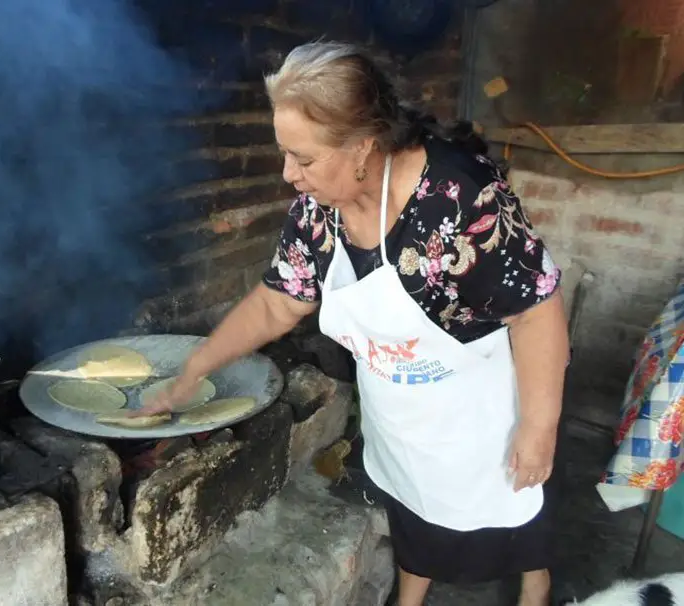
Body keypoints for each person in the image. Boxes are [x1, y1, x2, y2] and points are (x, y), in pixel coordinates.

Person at [139, 42, 569, 606]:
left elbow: (536, 307)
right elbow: (279, 300)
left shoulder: (459, 198)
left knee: (514, 508)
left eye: (304, 158)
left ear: (364, 145)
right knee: (411, 503)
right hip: (400, 409)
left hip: (476, 411)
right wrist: (195, 367)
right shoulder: (318, 211)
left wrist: (540, 427)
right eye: (284, 153)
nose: (289, 174)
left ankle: (537, 587)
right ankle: (411, 595)